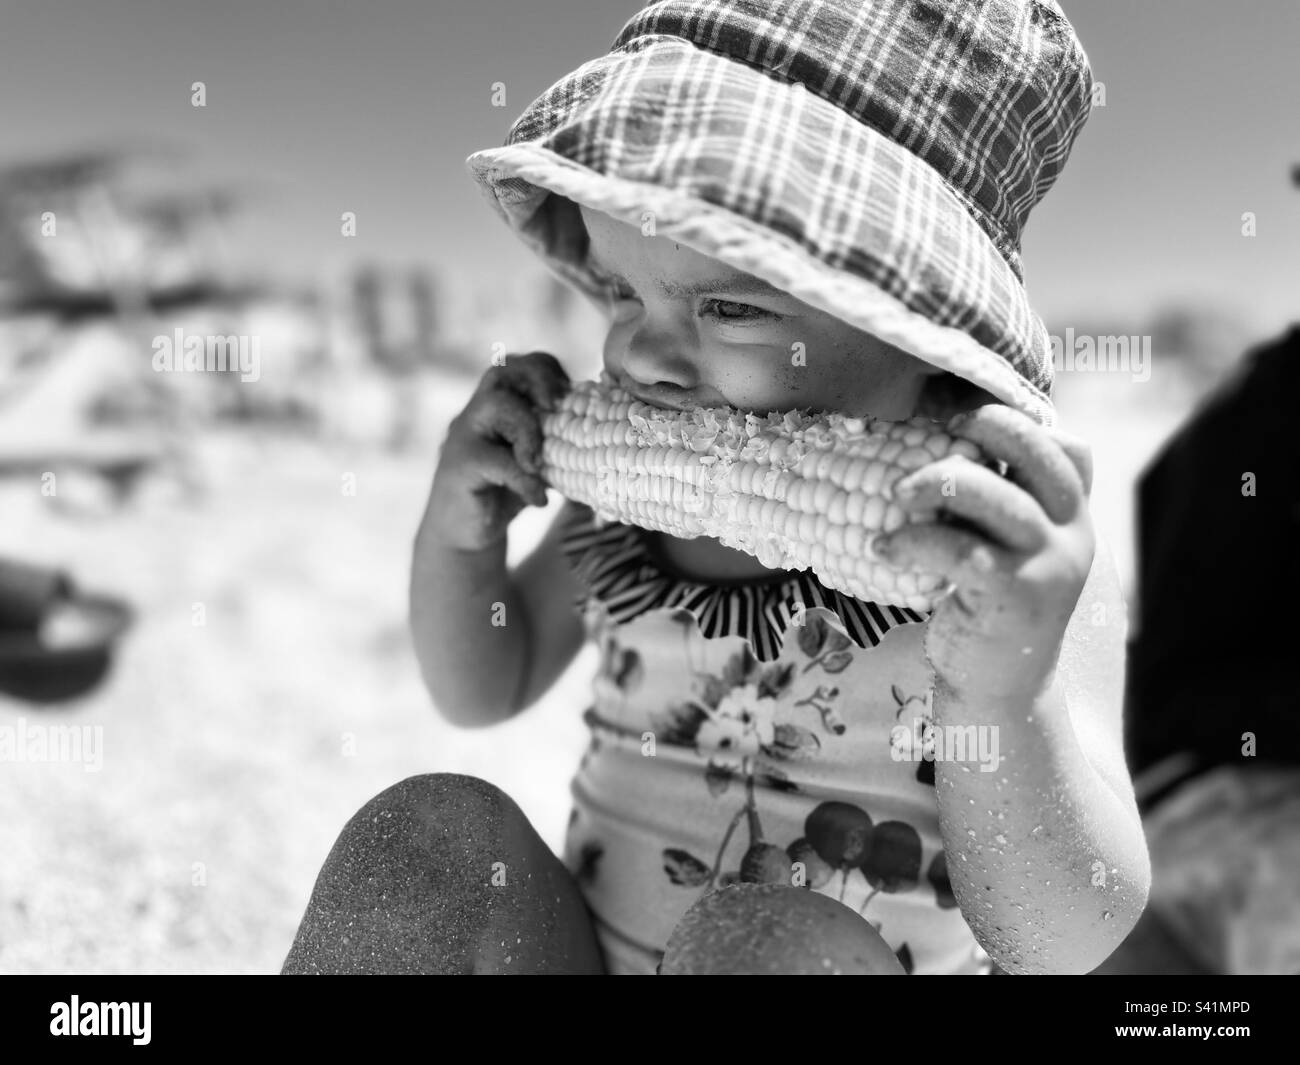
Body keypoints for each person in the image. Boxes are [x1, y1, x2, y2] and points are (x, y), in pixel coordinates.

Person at [282, 0, 1149, 975]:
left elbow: (1070, 931)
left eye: (730, 306)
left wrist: (1003, 690)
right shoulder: (613, 514)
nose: (641, 353)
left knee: (768, 940)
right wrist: (461, 536)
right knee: (427, 836)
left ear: (924, 328)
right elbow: (482, 685)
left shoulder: (1010, 563)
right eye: (618, 289)